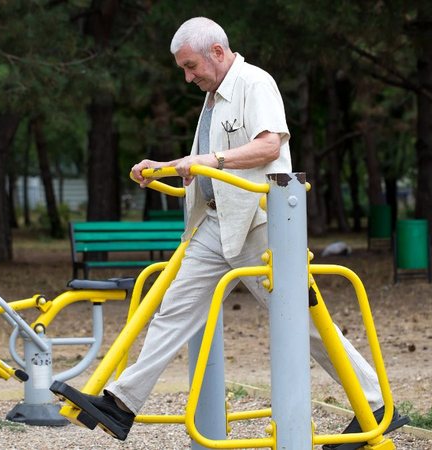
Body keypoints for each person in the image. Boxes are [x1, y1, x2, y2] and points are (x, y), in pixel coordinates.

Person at [52, 17, 407, 449]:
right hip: (214, 223)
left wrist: (209, 162)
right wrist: (162, 167)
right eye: (182, 68)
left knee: (306, 326)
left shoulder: (255, 83)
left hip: (260, 224)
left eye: (190, 66)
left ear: (217, 52)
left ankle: (374, 404)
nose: (187, 76)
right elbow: (205, 162)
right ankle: (121, 404)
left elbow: (269, 146)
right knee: (172, 311)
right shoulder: (214, 97)